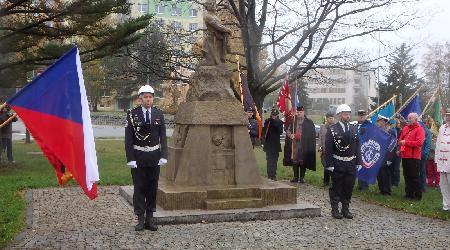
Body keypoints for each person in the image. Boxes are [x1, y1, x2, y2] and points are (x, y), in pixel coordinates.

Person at [125, 84, 168, 231]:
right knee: (139, 188)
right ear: (140, 99)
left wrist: (164, 155)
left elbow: (163, 136)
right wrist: (130, 158)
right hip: (138, 156)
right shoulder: (132, 114)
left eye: (150, 97)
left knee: (152, 188)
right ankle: (140, 219)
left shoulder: (158, 114)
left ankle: (150, 218)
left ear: (153, 99)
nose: (148, 100)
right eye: (145, 97)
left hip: (154, 157)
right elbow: (128, 139)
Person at [325, 104, 361, 219]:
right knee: (336, 187)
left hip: (350, 162)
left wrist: (359, 162)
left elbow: (357, 147)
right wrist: (329, 164)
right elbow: (329, 148)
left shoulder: (354, 129)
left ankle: (345, 209)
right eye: (345, 114)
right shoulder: (332, 129)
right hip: (338, 162)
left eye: (349, 114)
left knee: (348, 186)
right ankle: (335, 210)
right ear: (340, 115)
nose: (348, 116)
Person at [398, 112, 425, 201]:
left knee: (414, 177)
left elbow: (419, 143)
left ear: (416, 119)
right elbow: (400, 139)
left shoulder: (420, 129)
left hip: (414, 157)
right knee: (406, 176)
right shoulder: (405, 128)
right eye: (408, 118)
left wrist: (406, 143)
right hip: (405, 156)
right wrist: (400, 148)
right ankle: (409, 194)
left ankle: (417, 195)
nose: (408, 119)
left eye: (410, 118)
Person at [286, 106, 316, 183]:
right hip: (295, 144)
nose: (299, 114)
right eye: (298, 112)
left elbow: (312, 134)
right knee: (295, 161)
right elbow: (288, 131)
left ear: (303, 112)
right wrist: (290, 135)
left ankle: (302, 177)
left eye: (300, 112)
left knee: (303, 161)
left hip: (304, 145)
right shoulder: (293, 121)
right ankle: (296, 177)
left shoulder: (309, 122)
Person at [375, 115, 396, 195]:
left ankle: (387, 190)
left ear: (384, 122)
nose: (378, 123)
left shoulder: (390, 131)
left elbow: (392, 146)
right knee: (379, 173)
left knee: (385, 174)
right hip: (378, 155)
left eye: (379, 121)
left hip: (386, 156)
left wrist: (389, 159)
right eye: (378, 121)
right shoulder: (378, 131)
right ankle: (381, 189)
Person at [262, 108, 284, 180]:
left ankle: (273, 175)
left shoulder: (280, 122)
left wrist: (274, 122)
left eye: (275, 115)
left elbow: (280, 131)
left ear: (277, 115)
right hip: (268, 144)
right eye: (272, 115)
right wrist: (263, 141)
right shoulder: (267, 121)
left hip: (275, 144)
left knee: (274, 161)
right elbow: (264, 132)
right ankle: (269, 175)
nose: (273, 116)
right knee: (269, 160)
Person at [435, 109, 450, 211]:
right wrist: (437, 159)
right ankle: (446, 205)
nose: (448, 117)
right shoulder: (442, 128)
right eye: (447, 115)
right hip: (442, 160)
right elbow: (438, 144)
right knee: (443, 184)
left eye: (449, 115)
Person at [319, 110, 335, 186]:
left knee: (332, 167)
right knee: (325, 166)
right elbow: (320, 138)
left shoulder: (336, 127)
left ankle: (333, 182)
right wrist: (320, 147)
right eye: (329, 118)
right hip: (324, 149)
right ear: (327, 118)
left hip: (333, 150)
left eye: (332, 118)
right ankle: (326, 182)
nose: (331, 119)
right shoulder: (322, 127)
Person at [356, 110, 370, 191]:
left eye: (363, 116)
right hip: (357, 150)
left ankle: (365, 186)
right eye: (360, 115)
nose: (361, 117)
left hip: (366, 150)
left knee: (365, 168)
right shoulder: (355, 125)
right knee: (359, 167)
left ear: (365, 116)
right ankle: (359, 185)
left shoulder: (368, 126)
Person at [426, 117, 439, 188]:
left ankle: (437, 183)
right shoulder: (428, 132)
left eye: (432, 121)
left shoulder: (437, 135)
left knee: (436, 170)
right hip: (429, 155)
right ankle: (430, 182)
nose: (431, 123)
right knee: (430, 170)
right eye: (430, 121)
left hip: (435, 156)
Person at [419, 120, 432, 192]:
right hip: (416, 155)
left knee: (422, 171)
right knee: (417, 171)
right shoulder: (419, 130)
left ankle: (423, 187)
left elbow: (428, 144)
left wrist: (424, 154)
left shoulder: (427, 131)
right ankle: (418, 185)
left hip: (423, 155)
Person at [391, 119, 403, 187]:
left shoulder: (401, 131)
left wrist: (398, 149)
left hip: (398, 151)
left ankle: (396, 182)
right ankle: (392, 181)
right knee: (392, 167)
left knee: (397, 168)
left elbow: (401, 142)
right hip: (392, 151)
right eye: (397, 123)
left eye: (399, 123)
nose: (398, 124)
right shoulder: (393, 130)